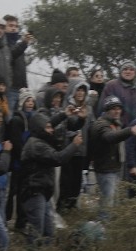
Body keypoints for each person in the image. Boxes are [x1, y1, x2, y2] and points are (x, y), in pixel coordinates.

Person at [20, 113, 83, 245]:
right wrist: (74, 145)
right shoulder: (36, 145)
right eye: (48, 127)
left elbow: (49, 125)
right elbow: (58, 158)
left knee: (49, 232)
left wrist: (64, 114)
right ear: (40, 128)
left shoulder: (40, 140)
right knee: (36, 232)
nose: (51, 130)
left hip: (43, 192)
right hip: (35, 192)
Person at [89, 95, 136, 218]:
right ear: (107, 110)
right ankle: (104, 231)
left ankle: (110, 230)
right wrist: (130, 131)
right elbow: (109, 137)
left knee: (113, 204)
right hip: (105, 170)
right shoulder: (101, 124)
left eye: (119, 108)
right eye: (113, 108)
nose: (117, 111)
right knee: (107, 206)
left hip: (114, 168)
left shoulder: (115, 123)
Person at [58, 79, 93, 212]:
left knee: (77, 181)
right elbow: (66, 126)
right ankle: (63, 205)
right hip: (68, 148)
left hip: (82, 149)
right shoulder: (68, 107)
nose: (80, 93)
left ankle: (72, 205)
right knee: (66, 179)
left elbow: (92, 126)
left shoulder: (88, 108)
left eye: (83, 90)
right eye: (78, 90)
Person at [5, 88, 36, 231]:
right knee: (12, 193)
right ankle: (6, 220)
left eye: (32, 101)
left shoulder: (33, 119)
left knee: (24, 193)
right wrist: (25, 156)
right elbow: (16, 142)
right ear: (22, 102)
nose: (30, 103)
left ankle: (21, 223)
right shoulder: (17, 120)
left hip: (27, 163)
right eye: (27, 100)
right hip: (18, 163)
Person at [3, 15, 34, 113]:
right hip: (10, 89)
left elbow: (21, 69)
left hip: (21, 89)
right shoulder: (3, 45)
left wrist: (25, 88)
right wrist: (24, 43)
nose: (14, 28)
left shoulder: (18, 45)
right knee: (9, 117)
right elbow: (11, 56)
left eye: (16, 26)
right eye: (11, 25)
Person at [98, 60, 136, 127]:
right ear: (121, 71)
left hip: (133, 130)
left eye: (131, 69)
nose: (128, 71)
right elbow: (102, 109)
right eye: (125, 69)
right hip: (114, 129)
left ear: (135, 73)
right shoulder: (111, 85)